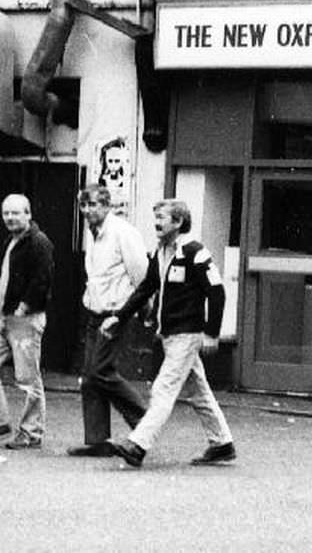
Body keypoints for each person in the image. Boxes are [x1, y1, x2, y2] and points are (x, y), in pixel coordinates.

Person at [101, 199, 235, 468]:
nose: (156, 223)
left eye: (162, 217)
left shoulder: (195, 252)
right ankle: (222, 444)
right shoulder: (161, 252)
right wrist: (120, 316)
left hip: (187, 334)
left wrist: (212, 333)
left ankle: (137, 445)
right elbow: (146, 289)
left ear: (178, 222)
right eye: (156, 217)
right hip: (170, 334)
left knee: (163, 389)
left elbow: (217, 292)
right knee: (198, 391)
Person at [69, 185, 148, 457]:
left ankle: (145, 424)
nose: (88, 210)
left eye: (93, 205)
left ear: (107, 205)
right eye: (84, 206)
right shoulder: (94, 234)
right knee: (89, 377)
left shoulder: (123, 232)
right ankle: (97, 440)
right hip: (95, 311)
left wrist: (139, 310)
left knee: (100, 371)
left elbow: (141, 275)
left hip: (115, 313)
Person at [0, 192, 55, 449]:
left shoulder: (38, 242)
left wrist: (22, 309)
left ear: (28, 214)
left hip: (24, 319)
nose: (10, 218)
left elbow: (42, 280)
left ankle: (31, 433)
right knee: (26, 376)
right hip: (5, 316)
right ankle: (2, 423)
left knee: (27, 378)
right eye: (6, 213)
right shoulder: (10, 241)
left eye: (15, 212)